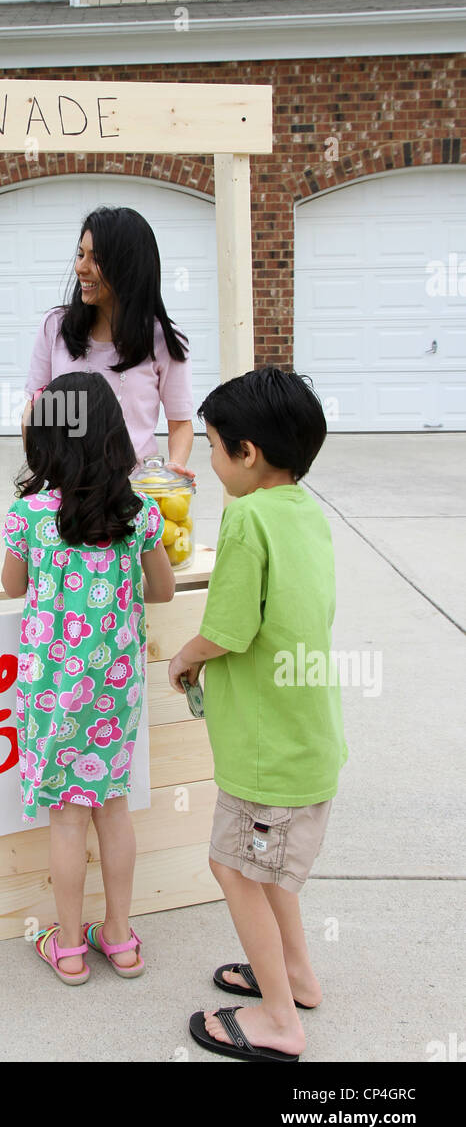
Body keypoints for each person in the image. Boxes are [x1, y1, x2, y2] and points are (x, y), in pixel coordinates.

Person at [168, 367, 348, 1063]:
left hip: (268, 753)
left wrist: (187, 655)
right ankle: (296, 975)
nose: (210, 462)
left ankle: (279, 1020)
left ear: (247, 453)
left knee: (234, 868)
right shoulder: (304, 509)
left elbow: (232, 626)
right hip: (306, 738)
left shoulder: (245, 517)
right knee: (262, 867)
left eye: (213, 448)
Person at [1, 372, 175, 984]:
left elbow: (12, 587)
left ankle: (69, 947)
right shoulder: (139, 514)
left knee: (68, 817)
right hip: (115, 684)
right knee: (113, 807)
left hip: (52, 688)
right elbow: (163, 589)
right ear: (113, 436)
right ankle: (121, 940)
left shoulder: (30, 516)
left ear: (46, 441)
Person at [25, 205, 196, 476]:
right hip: (68, 493)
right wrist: (47, 472)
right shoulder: (54, 327)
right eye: (80, 254)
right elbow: (35, 412)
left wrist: (175, 468)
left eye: (96, 258)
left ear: (129, 266)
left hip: (134, 494)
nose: (80, 267)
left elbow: (180, 424)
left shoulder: (164, 340)